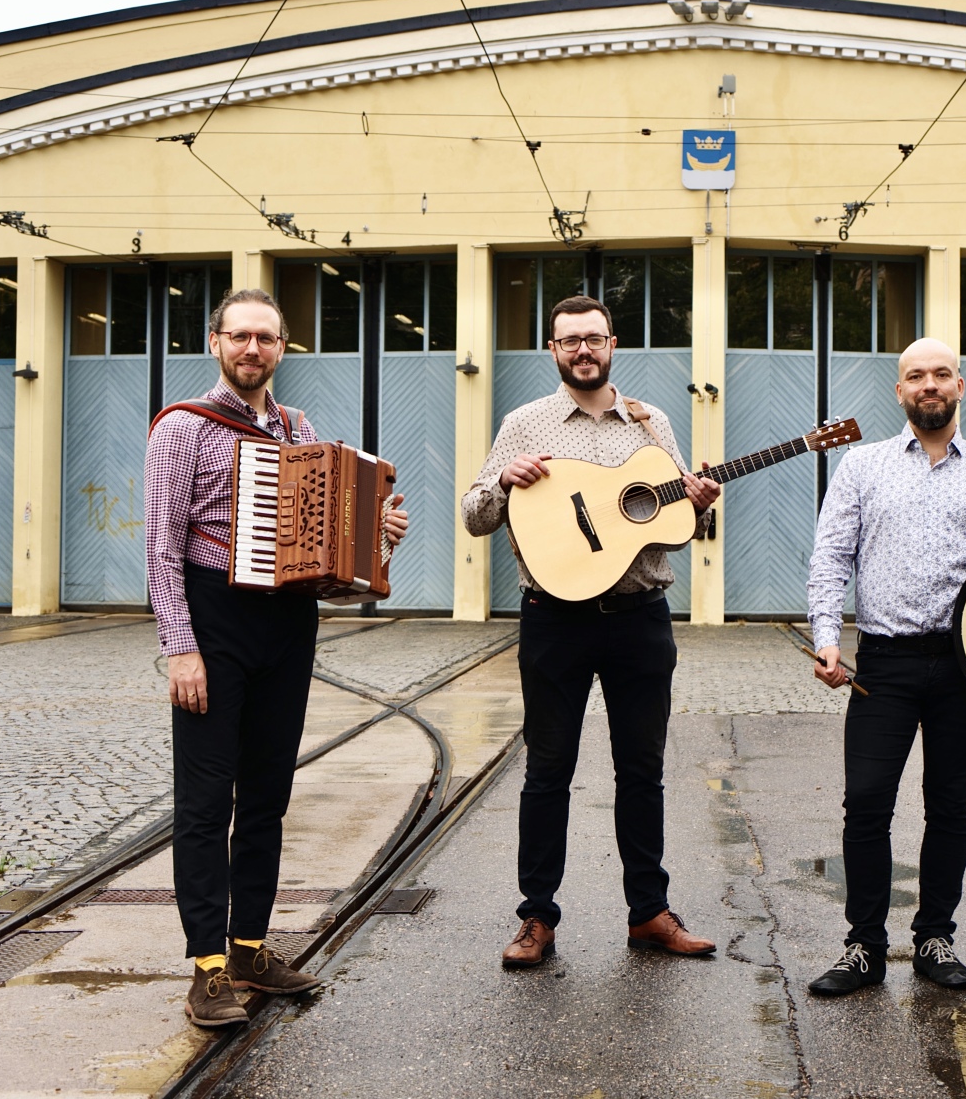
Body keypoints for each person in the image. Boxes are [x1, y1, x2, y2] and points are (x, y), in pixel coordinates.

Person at [145, 287, 409, 1028]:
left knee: (267, 798)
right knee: (205, 804)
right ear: (216, 343)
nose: (252, 349)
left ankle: (250, 950)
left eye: (265, 338)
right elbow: (161, 551)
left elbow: (326, 569)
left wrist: (378, 540)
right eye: (239, 336)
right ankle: (206, 968)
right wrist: (180, 648)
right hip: (214, 622)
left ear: (282, 349)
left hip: (288, 627)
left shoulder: (300, 430)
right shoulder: (183, 428)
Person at [461, 295, 721, 969]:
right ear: (553, 349)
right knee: (547, 771)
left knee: (642, 771)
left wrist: (696, 505)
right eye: (570, 340)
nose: (583, 350)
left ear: (612, 345)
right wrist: (502, 482)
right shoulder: (524, 423)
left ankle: (649, 913)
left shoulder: (651, 422)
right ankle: (536, 916)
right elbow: (475, 515)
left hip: (640, 618)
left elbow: (673, 525)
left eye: (594, 339)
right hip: (554, 621)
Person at [805, 337, 966, 996]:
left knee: (950, 805)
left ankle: (935, 938)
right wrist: (827, 636)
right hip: (883, 664)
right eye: (915, 376)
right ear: (900, 390)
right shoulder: (861, 466)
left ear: (960, 385)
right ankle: (863, 947)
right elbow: (831, 557)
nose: (928, 384)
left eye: (940, 374)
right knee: (866, 804)